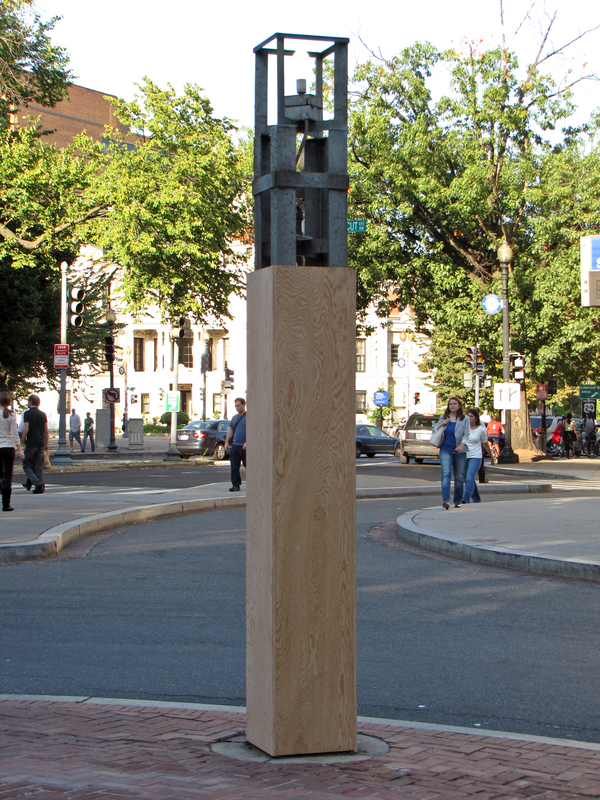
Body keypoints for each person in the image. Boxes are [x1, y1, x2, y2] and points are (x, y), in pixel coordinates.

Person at [432, 396, 469, 509]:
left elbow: (466, 434)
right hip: (445, 449)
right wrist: (441, 424)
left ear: (459, 406)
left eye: (454, 403)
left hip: (459, 450)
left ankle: (457, 500)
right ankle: (446, 501)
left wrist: (461, 446)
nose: (452, 405)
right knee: (446, 474)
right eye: (450, 404)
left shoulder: (464, 419)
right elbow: (434, 429)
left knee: (458, 476)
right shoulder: (444, 417)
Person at [457, 407, 495, 504]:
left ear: (476, 418)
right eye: (468, 416)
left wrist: (491, 457)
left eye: (471, 416)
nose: (469, 418)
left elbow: (485, 444)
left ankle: (465, 498)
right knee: (466, 478)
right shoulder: (463, 428)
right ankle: (476, 498)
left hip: (476, 456)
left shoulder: (480, 430)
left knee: (470, 477)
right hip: (464, 455)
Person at [0, 391, 24, 511]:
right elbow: (14, 434)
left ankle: (1, 487)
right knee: (8, 476)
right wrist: (20, 449)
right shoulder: (11, 415)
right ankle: (6, 504)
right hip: (8, 447)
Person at [21, 394, 49, 494]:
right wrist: (46, 443)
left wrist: (21, 440)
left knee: (26, 464)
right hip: (41, 443)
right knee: (38, 465)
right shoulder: (43, 414)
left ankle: (36, 481)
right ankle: (40, 486)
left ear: (30, 402)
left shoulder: (27, 414)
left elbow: (26, 429)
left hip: (31, 443)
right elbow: (46, 430)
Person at [225, 397, 246, 492]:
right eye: (235, 406)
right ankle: (236, 485)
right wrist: (226, 442)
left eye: (238, 405)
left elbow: (254, 430)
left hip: (245, 446)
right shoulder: (234, 418)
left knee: (249, 466)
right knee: (234, 467)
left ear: (243, 405)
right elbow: (231, 430)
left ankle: (254, 484)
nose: (236, 408)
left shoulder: (249, 416)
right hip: (235, 445)